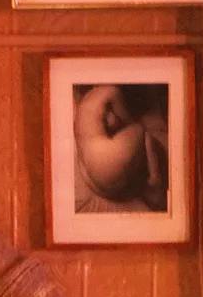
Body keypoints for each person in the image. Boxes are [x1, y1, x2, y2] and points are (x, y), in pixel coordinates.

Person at [72, 83, 170, 213]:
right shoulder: (110, 92)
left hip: (96, 162)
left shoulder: (101, 95)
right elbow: (129, 122)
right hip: (105, 156)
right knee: (141, 132)